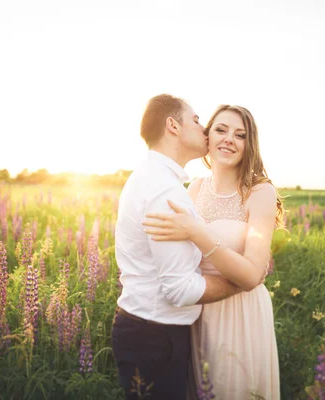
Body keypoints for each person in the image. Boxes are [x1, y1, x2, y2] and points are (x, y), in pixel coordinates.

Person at [142, 104, 284, 399]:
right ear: (207, 137)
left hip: (242, 314)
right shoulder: (194, 188)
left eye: (240, 134)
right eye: (221, 129)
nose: (229, 139)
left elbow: (252, 275)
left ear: (249, 144)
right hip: (198, 310)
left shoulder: (260, 192)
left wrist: (198, 233)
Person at [112, 95, 243, 400]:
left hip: (146, 331)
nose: (205, 128)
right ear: (172, 125)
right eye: (196, 120)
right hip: (155, 338)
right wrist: (241, 282)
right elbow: (180, 290)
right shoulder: (165, 191)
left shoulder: (153, 178)